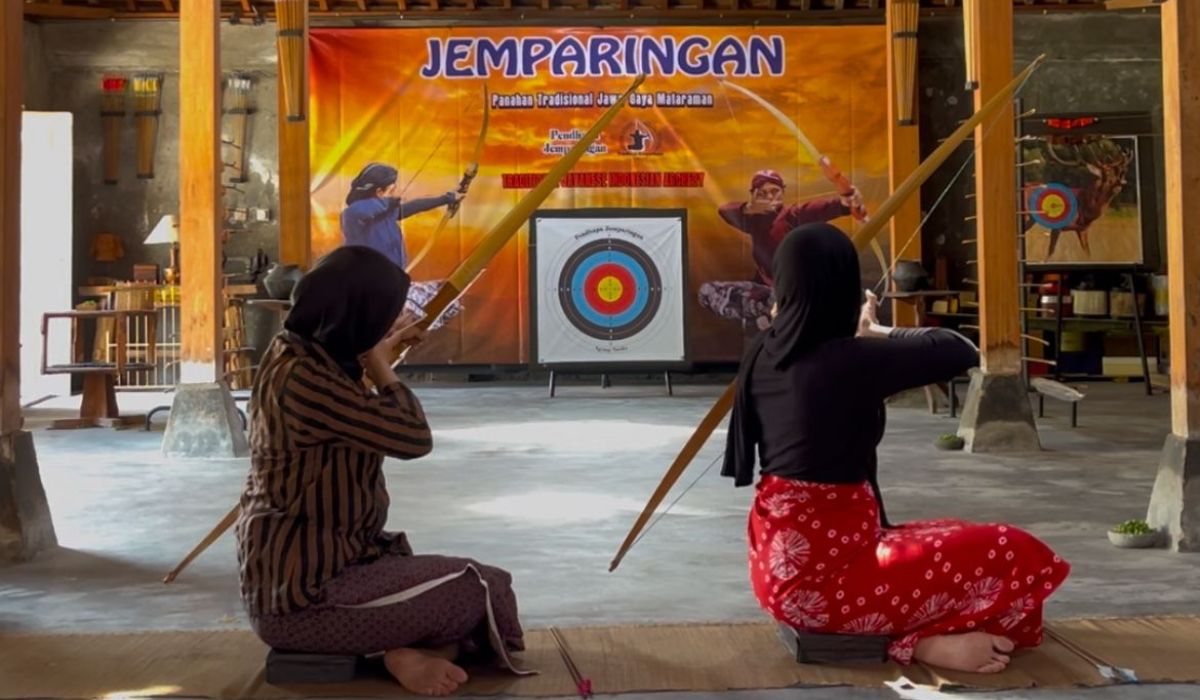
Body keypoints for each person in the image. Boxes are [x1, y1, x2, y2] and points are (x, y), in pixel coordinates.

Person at [722, 223, 1069, 674]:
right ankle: (921, 645)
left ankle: (921, 633)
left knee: (953, 531)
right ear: (843, 288)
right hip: (827, 587)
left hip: (778, 575)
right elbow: (958, 349)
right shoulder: (845, 360)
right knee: (1011, 549)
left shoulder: (765, 352)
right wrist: (877, 330)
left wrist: (856, 338)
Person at [236, 246, 525, 696]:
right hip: (306, 601)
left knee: (462, 587)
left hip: (321, 572)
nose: (387, 327)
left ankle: (407, 649)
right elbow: (413, 438)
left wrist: (374, 352)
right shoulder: (304, 382)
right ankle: (402, 652)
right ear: (355, 319)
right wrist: (382, 366)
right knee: (484, 588)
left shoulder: (296, 350)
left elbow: (345, 393)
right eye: (381, 319)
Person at [699, 169, 863, 330]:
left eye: (774, 191)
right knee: (706, 291)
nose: (770, 197)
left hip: (791, 291)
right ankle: (762, 318)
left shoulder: (793, 215)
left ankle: (771, 317)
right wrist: (748, 208)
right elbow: (724, 211)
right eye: (762, 193)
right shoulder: (752, 220)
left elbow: (820, 208)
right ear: (754, 195)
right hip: (766, 291)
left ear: (782, 192)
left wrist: (845, 203)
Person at [340, 162, 464, 332]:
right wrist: (388, 203)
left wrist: (446, 199)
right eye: (391, 190)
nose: (393, 194)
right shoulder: (352, 214)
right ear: (379, 191)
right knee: (382, 327)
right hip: (369, 287)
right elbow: (362, 211)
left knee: (438, 298)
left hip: (391, 283)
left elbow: (414, 207)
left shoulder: (386, 213)